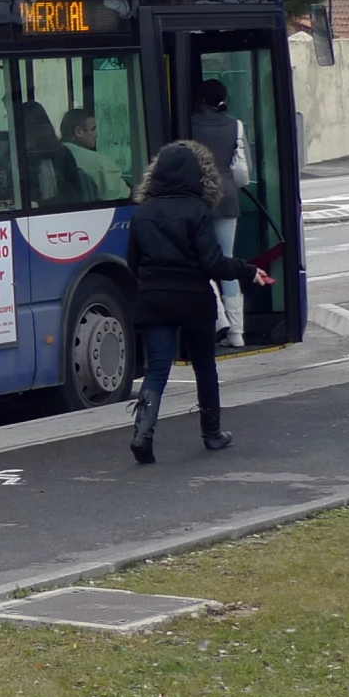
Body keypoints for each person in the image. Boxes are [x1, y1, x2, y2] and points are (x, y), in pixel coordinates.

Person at [125, 141, 273, 464]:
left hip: (154, 302)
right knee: (204, 367)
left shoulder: (142, 213)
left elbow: (131, 263)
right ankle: (212, 433)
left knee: (158, 370)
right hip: (194, 300)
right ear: (196, 176)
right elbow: (214, 263)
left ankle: (142, 433)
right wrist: (249, 272)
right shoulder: (198, 211)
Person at [189, 79, 256, 345]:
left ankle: (219, 320)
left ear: (200, 99)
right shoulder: (236, 125)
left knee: (198, 261)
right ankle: (237, 332)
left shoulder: (189, 124)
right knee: (226, 260)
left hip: (199, 197)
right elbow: (243, 170)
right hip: (228, 196)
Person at [17, 101, 83, 205]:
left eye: (41, 127)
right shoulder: (17, 157)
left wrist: (39, 205)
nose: (40, 134)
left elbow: (75, 196)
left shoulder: (62, 154)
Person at [60, 107, 128, 202]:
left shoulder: (53, 155)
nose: (96, 135)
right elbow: (121, 199)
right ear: (79, 132)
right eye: (93, 129)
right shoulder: (99, 163)